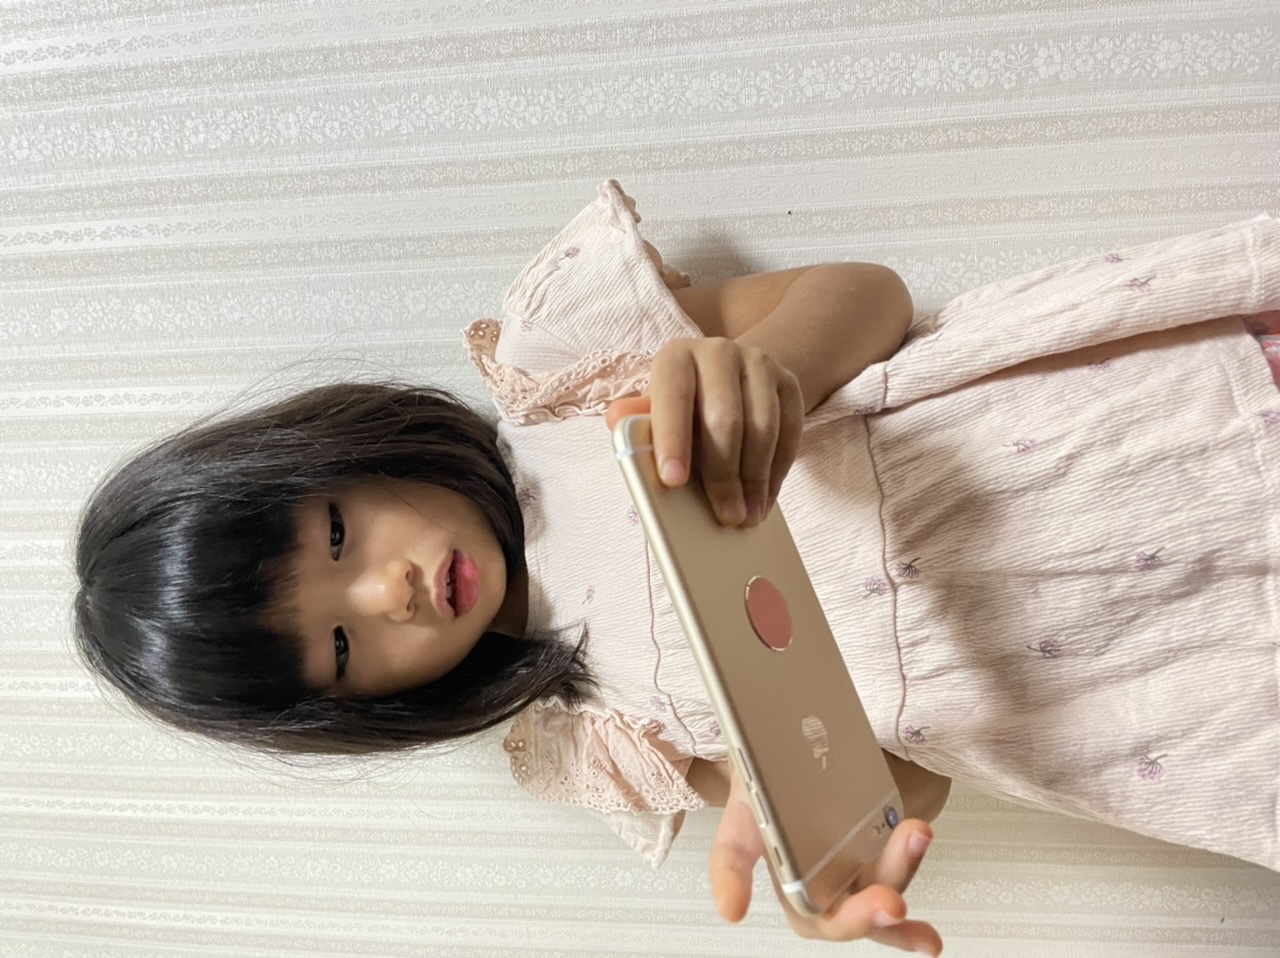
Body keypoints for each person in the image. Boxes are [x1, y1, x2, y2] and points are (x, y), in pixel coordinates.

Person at [74, 182, 1280, 956]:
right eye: (342, 645)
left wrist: (772, 369)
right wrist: (835, 855)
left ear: (348, 452)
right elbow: (895, 780)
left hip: (1097, 439)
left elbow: (864, 294)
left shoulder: (561, 378)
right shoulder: (601, 733)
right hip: (1129, 692)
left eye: (338, 535)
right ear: (366, 708)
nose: (385, 594)